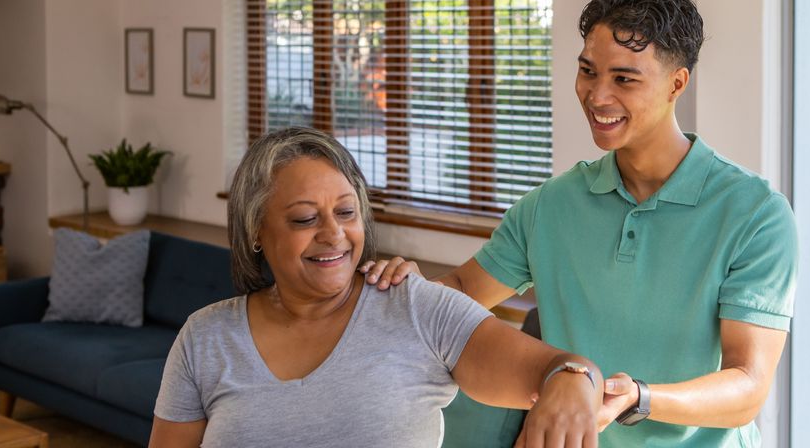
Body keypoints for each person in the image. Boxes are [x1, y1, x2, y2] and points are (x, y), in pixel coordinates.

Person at [362, 0, 799, 447]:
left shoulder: (755, 214)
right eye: (588, 71)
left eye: (624, 79)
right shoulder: (551, 205)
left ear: (677, 83)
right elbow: (465, 290)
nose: (596, 96)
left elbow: (748, 387)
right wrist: (403, 287)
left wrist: (639, 397)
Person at [149, 126, 604, 448]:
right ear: (255, 231)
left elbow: (561, 369)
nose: (334, 234)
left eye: (346, 213)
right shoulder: (205, 337)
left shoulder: (415, 307)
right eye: (306, 219)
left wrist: (572, 380)